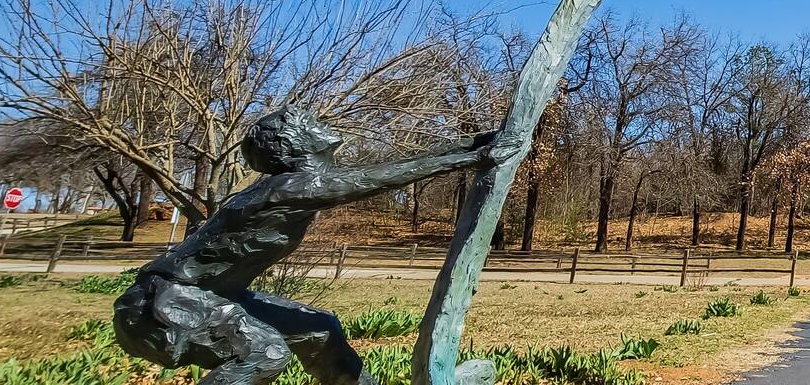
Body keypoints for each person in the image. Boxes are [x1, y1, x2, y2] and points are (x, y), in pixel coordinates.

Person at [113, 107, 516, 384]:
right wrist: (473, 157)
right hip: (165, 300)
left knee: (321, 331)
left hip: (210, 294)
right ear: (291, 143)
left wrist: (469, 147)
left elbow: (380, 169)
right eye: (301, 120)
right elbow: (376, 180)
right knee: (265, 353)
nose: (313, 120)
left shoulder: (296, 185)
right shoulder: (290, 186)